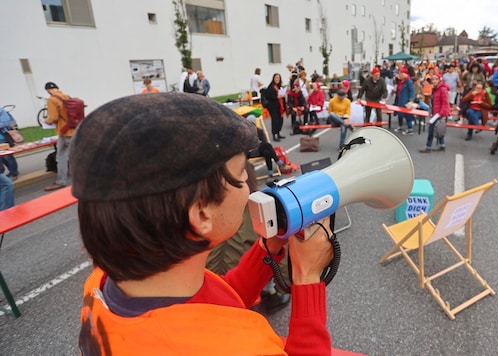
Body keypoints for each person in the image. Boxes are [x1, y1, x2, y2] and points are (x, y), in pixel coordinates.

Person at [73, 93, 334, 354]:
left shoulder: (109, 281)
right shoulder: (238, 349)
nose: (249, 184)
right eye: (242, 172)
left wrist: (268, 248)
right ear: (201, 215)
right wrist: (307, 277)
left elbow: (214, 306)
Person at [206, 160, 291, 313]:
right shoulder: (254, 212)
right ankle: (271, 294)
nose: (245, 176)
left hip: (211, 287)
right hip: (241, 299)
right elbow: (286, 278)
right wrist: (305, 279)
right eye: (240, 173)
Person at [43, 82, 74, 191]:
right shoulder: (67, 96)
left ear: (47, 90)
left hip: (64, 133)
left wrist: (46, 121)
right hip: (74, 129)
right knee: (78, 155)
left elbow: (53, 117)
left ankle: (61, 181)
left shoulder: (51, 99)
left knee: (61, 157)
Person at [419, 74, 449, 153]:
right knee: (439, 129)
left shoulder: (442, 89)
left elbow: (445, 103)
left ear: (439, 80)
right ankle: (442, 145)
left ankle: (428, 147)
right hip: (435, 113)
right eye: (433, 79)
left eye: (436, 79)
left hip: (439, 114)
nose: (434, 81)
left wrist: (440, 113)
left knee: (431, 130)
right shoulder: (435, 89)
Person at [264, 73, 287, 142]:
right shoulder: (271, 87)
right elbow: (267, 96)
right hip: (273, 106)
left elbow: (281, 95)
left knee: (280, 120)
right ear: (273, 78)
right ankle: (274, 135)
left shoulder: (280, 86)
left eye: (278, 78)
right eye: (276, 78)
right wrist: (276, 97)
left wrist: (283, 95)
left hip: (280, 106)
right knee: (275, 121)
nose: (277, 79)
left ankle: (278, 133)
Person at [394, 67, 415, 135]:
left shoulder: (409, 81)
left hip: (406, 100)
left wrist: (411, 100)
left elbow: (412, 91)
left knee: (407, 115)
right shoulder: (400, 81)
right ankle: (400, 126)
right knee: (399, 114)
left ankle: (410, 128)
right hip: (400, 99)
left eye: (400, 74)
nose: (399, 75)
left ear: (405, 74)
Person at [0, 106, 19, 180]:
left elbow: (6, 123)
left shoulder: (1, 111)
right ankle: (11, 171)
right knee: (2, 158)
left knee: (7, 157)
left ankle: (14, 173)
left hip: (2, 138)